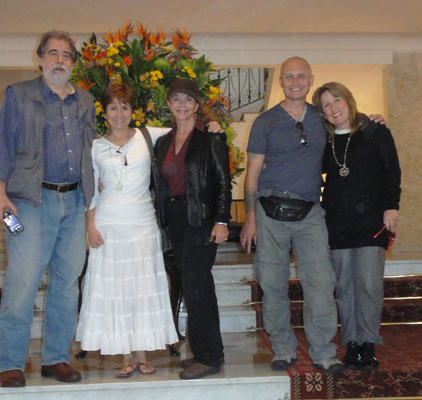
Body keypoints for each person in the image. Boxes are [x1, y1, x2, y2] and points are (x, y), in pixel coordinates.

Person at [0, 30, 95, 387]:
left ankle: (56, 359)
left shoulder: (85, 101)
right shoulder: (19, 95)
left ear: (73, 63)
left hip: (75, 201)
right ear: (40, 58)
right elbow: (3, 144)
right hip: (31, 201)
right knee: (22, 283)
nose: (60, 60)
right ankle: (11, 362)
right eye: (53, 53)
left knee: (66, 285)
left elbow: (92, 152)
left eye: (66, 55)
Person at [240, 57, 344, 374]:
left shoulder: (322, 119)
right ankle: (283, 348)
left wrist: (373, 121)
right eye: (289, 77)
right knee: (272, 284)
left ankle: (324, 351)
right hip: (269, 211)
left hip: (311, 211)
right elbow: (253, 173)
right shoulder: (265, 122)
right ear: (281, 82)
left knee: (321, 284)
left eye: (301, 76)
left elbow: (350, 130)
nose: (295, 81)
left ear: (311, 80)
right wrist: (249, 218)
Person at [75, 83, 178, 377]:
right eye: (112, 108)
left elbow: (184, 131)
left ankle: (143, 354)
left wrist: (211, 125)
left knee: (142, 290)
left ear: (133, 110)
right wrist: (90, 224)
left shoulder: (150, 136)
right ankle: (124, 357)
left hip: (143, 224)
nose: (119, 113)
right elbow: (91, 189)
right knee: (115, 291)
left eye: (124, 107)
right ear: (104, 113)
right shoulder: (94, 147)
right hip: (108, 225)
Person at [312, 82, 401, 369]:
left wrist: (392, 206)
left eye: (336, 100)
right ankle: (352, 344)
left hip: (371, 221)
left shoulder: (375, 132)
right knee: (345, 287)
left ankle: (368, 343)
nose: (333, 107)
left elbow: (392, 172)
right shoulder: (323, 142)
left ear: (348, 100)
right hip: (336, 223)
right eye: (326, 105)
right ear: (322, 113)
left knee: (369, 286)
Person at [154, 78, 232, 380]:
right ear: (169, 104)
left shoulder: (210, 137)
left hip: (200, 218)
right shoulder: (164, 141)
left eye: (188, 100)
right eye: (176, 99)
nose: (182, 105)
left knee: (198, 285)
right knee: (191, 284)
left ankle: (208, 357)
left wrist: (222, 220)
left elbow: (223, 181)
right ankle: (210, 351)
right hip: (175, 218)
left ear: (197, 105)